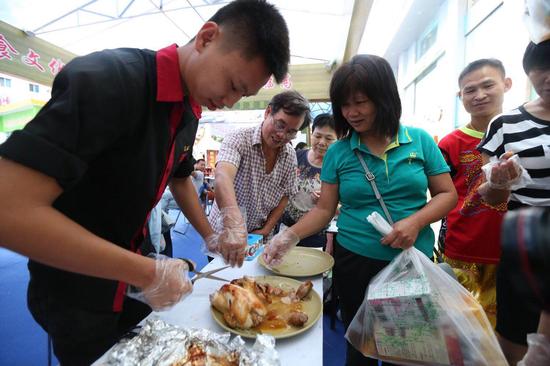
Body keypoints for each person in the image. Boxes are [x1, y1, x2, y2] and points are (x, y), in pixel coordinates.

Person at [0, 0, 290, 364]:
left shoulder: (189, 107)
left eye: (241, 96)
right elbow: (8, 209)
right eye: (232, 85)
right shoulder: (110, 80)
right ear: (207, 37)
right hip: (76, 282)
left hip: (129, 274)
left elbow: (180, 176)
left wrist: (210, 235)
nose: (229, 102)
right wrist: (149, 271)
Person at [263, 54, 457, 366]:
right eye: (344, 104)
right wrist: (289, 237)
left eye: (361, 102)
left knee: (406, 348)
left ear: (384, 97)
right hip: (354, 263)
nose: (351, 113)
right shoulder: (339, 151)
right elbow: (325, 210)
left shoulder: (418, 140)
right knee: (361, 346)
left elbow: (447, 194)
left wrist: (415, 222)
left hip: (410, 263)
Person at [477, 39, 550, 365]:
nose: (548, 77)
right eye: (541, 67)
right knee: (517, 331)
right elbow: (488, 195)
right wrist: (499, 181)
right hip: (527, 230)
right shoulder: (505, 125)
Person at [437, 58, 512, 328]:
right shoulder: (449, 143)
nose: (479, 95)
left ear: (507, 84)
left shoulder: (521, 134)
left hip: (511, 251)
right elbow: (440, 195)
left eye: (488, 85)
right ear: (461, 96)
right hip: (461, 248)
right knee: (456, 327)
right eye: (470, 90)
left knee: (502, 329)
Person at [209, 90, 310, 266]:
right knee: (225, 285)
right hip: (225, 233)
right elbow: (223, 176)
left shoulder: (289, 155)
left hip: (259, 237)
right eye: (280, 124)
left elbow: (285, 196)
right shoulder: (238, 139)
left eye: (291, 132)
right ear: (268, 112)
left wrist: (266, 229)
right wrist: (233, 222)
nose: (282, 135)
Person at [281, 113, 337, 247]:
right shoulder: (295, 156)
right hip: (284, 229)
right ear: (311, 134)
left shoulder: (337, 167)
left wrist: (325, 200)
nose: (322, 142)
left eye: (329, 138)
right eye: (317, 136)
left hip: (315, 235)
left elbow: (342, 205)